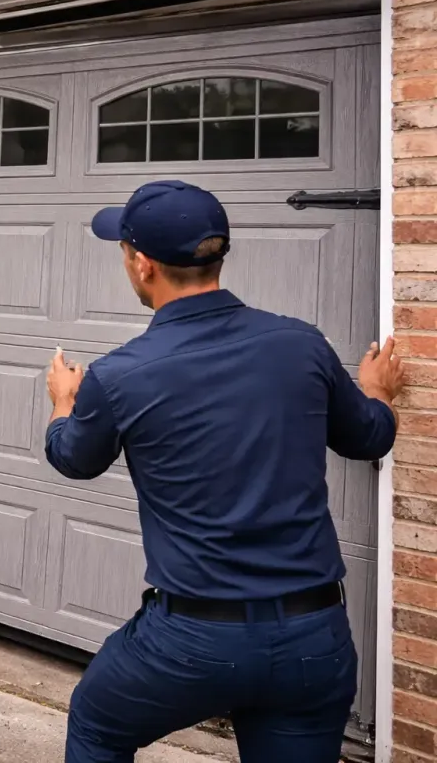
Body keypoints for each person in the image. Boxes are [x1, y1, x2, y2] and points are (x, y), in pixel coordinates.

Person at [44, 180, 404, 762]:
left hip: (190, 642)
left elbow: (73, 459)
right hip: (312, 637)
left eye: (124, 251)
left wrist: (64, 402)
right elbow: (371, 436)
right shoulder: (302, 344)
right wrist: (378, 391)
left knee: (96, 725)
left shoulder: (120, 375)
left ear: (142, 264)